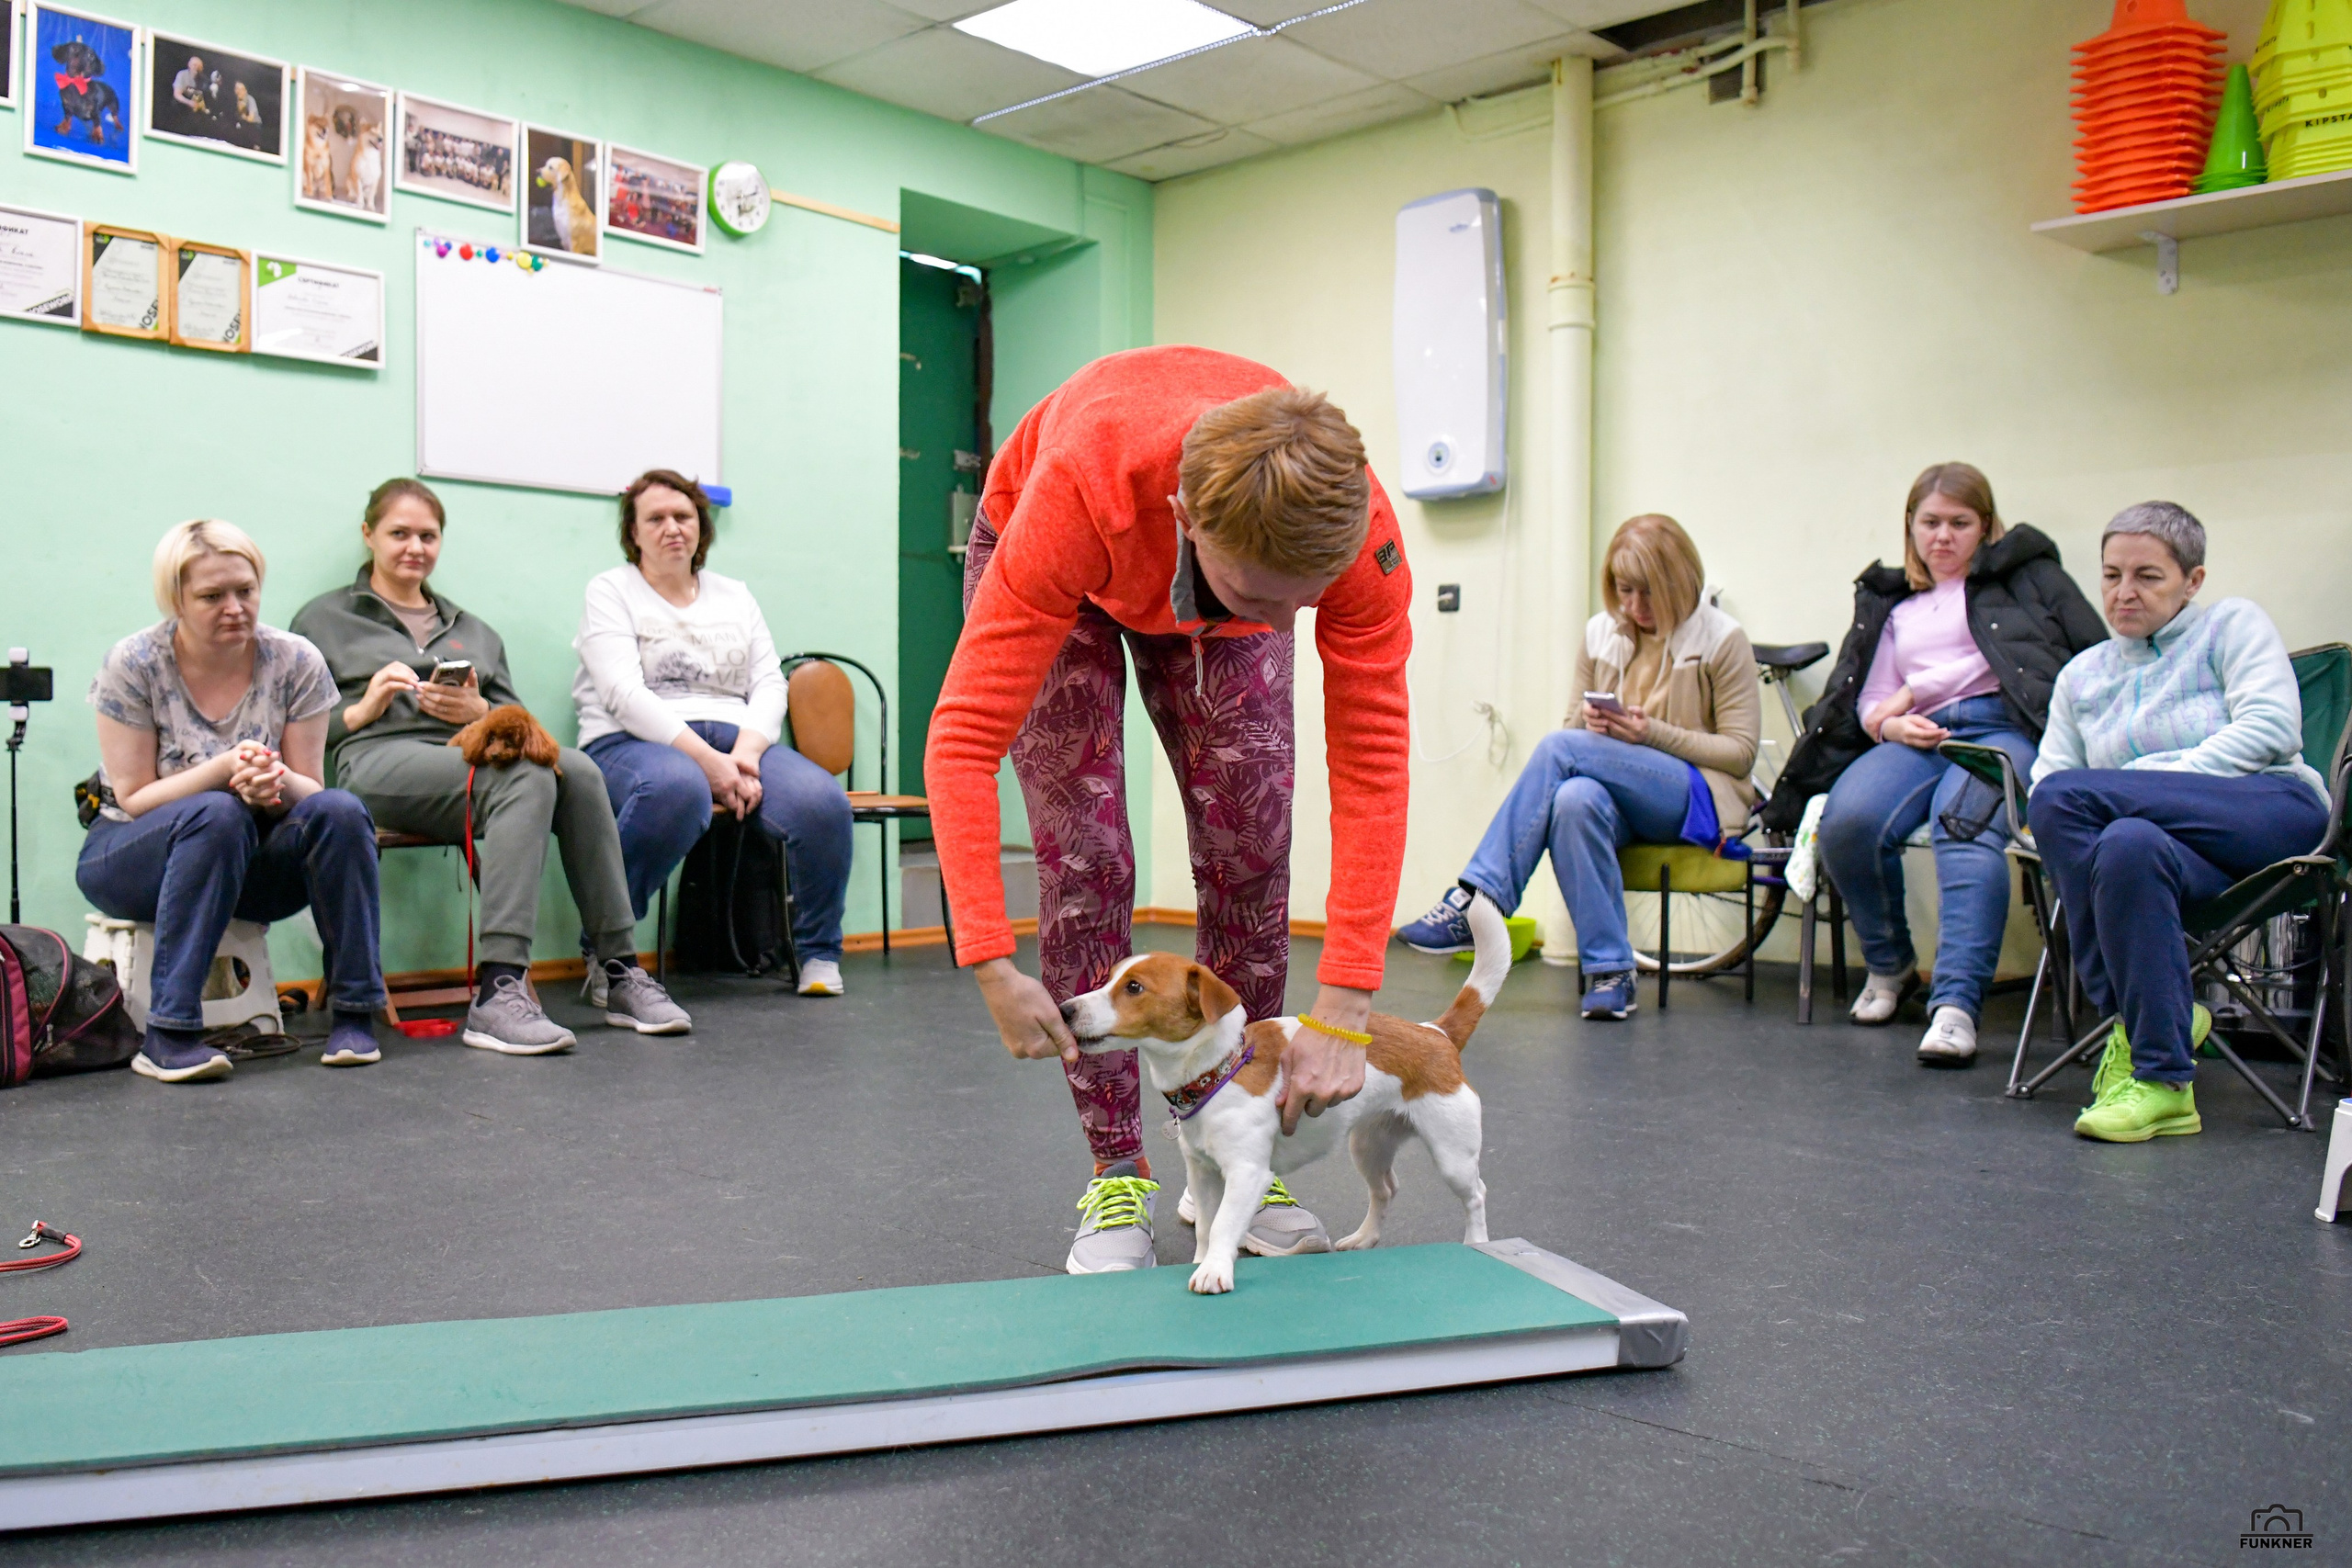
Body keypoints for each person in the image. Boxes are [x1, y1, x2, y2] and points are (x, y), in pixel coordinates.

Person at [927, 347, 1413, 1276]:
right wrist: (989, 961)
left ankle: (1239, 1162)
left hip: (1200, 580)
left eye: (1303, 604)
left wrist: (1346, 1000)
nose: (1285, 624)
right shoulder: (1080, 489)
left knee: (1252, 848)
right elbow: (961, 737)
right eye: (1264, 598)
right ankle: (1118, 1172)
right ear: (1188, 520)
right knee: (1089, 858)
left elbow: (1374, 765)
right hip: (1062, 551)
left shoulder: (1350, 543)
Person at [293, 479, 690, 1054]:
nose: (415, 547)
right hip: (377, 759)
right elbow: (294, 730)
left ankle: (619, 969)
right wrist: (363, 707)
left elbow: (520, 723)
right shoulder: (323, 619)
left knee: (576, 769)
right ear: (369, 535)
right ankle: (498, 990)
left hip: (468, 756)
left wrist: (479, 710)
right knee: (527, 775)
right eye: (399, 533)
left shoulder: (474, 629)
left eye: (428, 536)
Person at [1767, 463, 2104, 1066]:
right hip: (1918, 737)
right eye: (1930, 522)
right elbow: (1871, 699)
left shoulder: (2027, 581)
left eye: (1959, 522)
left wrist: (1919, 689)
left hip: (2007, 728)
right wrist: (1892, 722)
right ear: (1911, 528)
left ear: (1987, 526)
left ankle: (1954, 1007)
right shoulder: (1896, 606)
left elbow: (2081, 660)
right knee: (1847, 821)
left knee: (1964, 825)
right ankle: (1892, 967)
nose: (1943, 536)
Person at [2031, 503, 2329, 1144]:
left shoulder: (2231, 625)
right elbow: (2048, 784)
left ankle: (2119, 1018)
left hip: (2265, 813)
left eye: (2147, 576)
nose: (2123, 592)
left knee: (2078, 803)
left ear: (2192, 581)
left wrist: (2149, 781)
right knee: (2125, 842)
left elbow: (2273, 728)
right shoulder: (2081, 675)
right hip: (2172, 854)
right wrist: (2133, 807)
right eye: (2111, 575)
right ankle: (2163, 1074)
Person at [1398, 514, 1759, 1020]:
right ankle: (1611, 972)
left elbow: (1741, 752)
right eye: (1624, 590)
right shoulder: (1600, 633)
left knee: (1559, 751)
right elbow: (1570, 736)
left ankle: (1476, 901)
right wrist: (1595, 725)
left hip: (1695, 800)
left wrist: (1648, 732)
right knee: (1573, 800)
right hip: (1619, 798)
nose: (1634, 607)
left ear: (1680, 583)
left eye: (1649, 593)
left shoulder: (1724, 639)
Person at [80, 520, 384, 1083]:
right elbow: (134, 796)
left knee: (340, 810)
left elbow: (309, 791)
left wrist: (273, 781)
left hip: (247, 858)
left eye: (245, 591)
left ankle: (355, 1013)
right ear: (176, 598)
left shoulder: (295, 660)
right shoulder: (134, 662)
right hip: (129, 854)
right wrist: (223, 771)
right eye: (212, 596)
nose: (234, 608)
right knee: (217, 812)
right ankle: (168, 1034)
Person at [574, 469, 854, 997]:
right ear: (634, 533)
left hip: (736, 738)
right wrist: (710, 763)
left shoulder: (735, 595)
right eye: (655, 518)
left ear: (701, 526)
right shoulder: (611, 590)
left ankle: (819, 953)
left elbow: (769, 682)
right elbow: (624, 696)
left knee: (822, 802)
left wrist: (746, 755)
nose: (671, 528)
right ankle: (607, 952)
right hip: (633, 741)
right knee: (674, 793)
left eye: (683, 516)